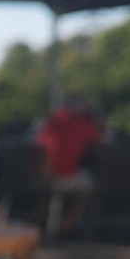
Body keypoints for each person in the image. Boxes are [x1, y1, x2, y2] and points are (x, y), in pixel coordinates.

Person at [36, 96, 103, 239]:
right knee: (91, 186)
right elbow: (101, 142)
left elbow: (39, 144)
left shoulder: (51, 121)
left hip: (41, 178)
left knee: (51, 193)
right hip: (61, 178)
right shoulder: (83, 124)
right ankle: (66, 224)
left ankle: (37, 222)